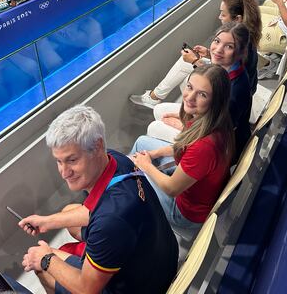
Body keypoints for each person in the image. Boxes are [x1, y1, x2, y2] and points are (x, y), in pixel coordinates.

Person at [13, 105, 178, 294]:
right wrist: (46, 221)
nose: (64, 172)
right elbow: (94, 209)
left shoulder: (111, 222)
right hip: (162, 259)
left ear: (97, 147)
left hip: (144, 288)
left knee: (41, 267)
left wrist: (45, 259)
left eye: (72, 160)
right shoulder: (117, 160)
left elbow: (87, 289)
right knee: (68, 211)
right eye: (59, 161)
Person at [130, 64, 235, 232]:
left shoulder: (204, 147)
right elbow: (184, 145)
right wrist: (155, 153)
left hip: (184, 213)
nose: (189, 97)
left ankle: (123, 199)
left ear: (215, 100)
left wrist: (147, 165)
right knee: (143, 142)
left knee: (135, 175)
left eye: (202, 94)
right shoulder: (212, 120)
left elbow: (171, 188)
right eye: (189, 87)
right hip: (197, 188)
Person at [138, 23, 251, 161]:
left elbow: (215, 134)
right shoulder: (230, 68)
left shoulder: (233, 92)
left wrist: (183, 125)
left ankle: (167, 161)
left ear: (240, 52)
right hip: (207, 121)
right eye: (217, 41)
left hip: (220, 148)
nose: (218, 50)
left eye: (229, 46)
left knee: (154, 127)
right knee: (159, 110)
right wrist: (186, 118)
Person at [130, 0, 261, 109]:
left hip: (227, 95)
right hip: (242, 87)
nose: (219, 17)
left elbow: (221, 78)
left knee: (188, 78)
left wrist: (194, 61)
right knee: (185, 65)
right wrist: (209, 54)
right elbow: (229, 63)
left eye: (223, 14)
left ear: (237, 18)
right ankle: (156, 97)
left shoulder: (240, 43)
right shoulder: (246, 34)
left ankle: (179, 109)